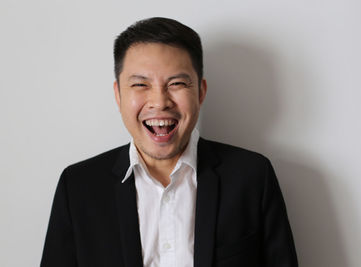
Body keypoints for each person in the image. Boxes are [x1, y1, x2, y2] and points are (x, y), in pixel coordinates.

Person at [41, 17, 298, 267]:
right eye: (141, 84)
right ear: (118, 95)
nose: (160, 101)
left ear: (200, 91)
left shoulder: (252, 177)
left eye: (176, 83)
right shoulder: (78, 187)